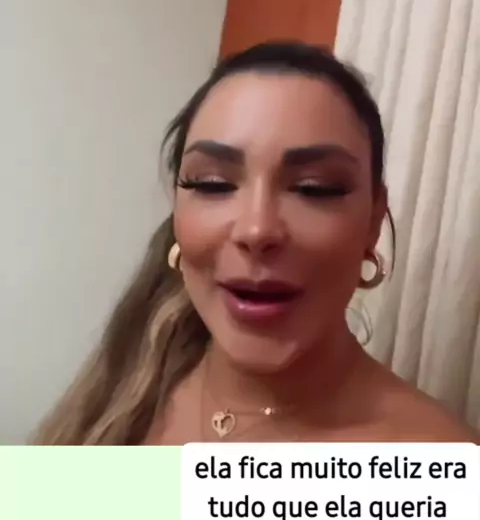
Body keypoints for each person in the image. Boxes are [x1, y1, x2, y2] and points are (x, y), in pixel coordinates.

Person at [34, 41, 478, 445]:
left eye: (315, 188)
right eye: (212, 183)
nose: (256, 230)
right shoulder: (121, 387)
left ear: (373, 222)